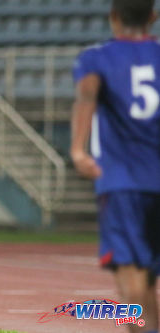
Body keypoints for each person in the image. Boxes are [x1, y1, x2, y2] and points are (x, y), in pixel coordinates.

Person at [71, 1, 160, 332]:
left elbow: (86, 95)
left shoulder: (97, 58)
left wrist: (79, 150)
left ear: (113, 16)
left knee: (130, 276)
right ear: (153, 16)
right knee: (148, 278)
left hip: (122, 181)